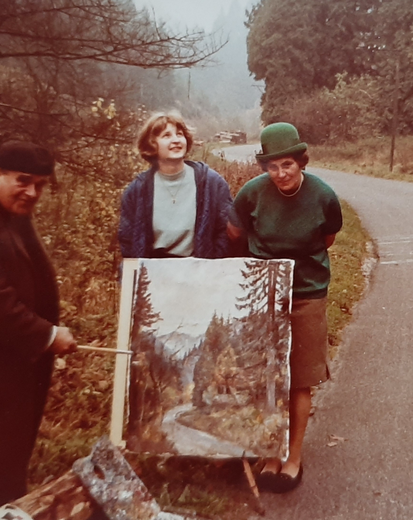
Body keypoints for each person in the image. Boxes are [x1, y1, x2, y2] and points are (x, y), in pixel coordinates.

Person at [227, 122, 342, 493]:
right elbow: (235, 232)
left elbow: (328, 237)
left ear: (301, 161)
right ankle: (271, 454)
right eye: (273, 167)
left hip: (307, 292)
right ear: (264, 167)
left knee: (299, 377)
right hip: (265, 292)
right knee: (267, 377)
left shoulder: (323, 195)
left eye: (288, 165)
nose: (281, 174)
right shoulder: (252, 194)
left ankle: (293, 457)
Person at [0, 141, 77, 504]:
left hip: (19, 360)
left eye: (41, 185)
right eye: (23, 181)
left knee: (14, 447)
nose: (32, 192)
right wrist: (47, 335)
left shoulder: (15, 217)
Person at [118, 111, 232, 259]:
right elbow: (127, 240)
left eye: (179, 134)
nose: (176, 140)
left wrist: (209, 266)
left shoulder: (211, 183)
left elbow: (226, 231)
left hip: (200, 273)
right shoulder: (137, 190)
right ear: (151, 144)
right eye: (166, 136)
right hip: (154, 274)